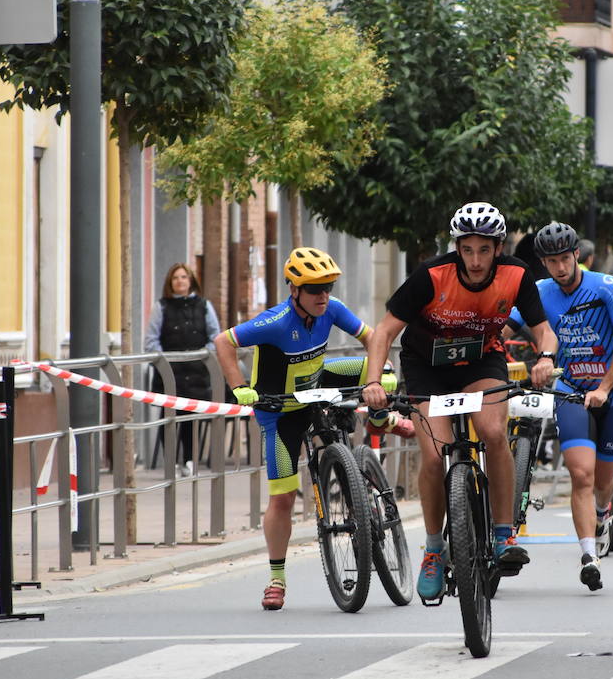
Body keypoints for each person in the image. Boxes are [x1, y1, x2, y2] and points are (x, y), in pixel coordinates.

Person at [361, 203, 557, 601]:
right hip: (426, 365)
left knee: (491, 432)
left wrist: (547, 358)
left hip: (480, 360)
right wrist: (373, 382)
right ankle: (434, 549)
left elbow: (542, 329)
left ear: (498, 248)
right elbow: (382, 333)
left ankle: (503, 536)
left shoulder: (516, 274)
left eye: (484, 250)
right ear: (457, 247)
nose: (476, 260)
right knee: (434, 456)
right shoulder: (432, 275)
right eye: (467, 249)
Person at [214, 247, 374, 611]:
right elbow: (223, 341)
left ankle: (385, 420)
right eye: (315, 288)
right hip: (280, 410)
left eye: (328, 287)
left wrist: (383, 376)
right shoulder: (275, 321)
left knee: (373, 371)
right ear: (294, 289)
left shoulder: (331, 309)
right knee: (283, 497)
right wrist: (240, 386)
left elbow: (372, 336)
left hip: (317, 384)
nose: (323, 296)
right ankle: (276, 577)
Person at [506, 221, 613, 590]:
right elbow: (504, 330)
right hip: (572, 390)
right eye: (551, 262)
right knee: (581, 474)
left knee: (604, 481)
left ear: (576, 255)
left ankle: (603, 511)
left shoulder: (606, 287)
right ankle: (589, 556)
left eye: (565, 259)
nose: (560, 268)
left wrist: (606, 387)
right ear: (543, 263)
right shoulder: (540, 291)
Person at [144, 263, 221, 473]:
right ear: (170, 282)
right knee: (168, 418)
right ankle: (171, 463)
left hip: (196, 372)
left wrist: (202, 356)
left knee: (190, 418)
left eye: (184, 277)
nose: (180, 281)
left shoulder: (204, 306)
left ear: (191, 280)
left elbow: (216, 337)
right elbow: (151, 341)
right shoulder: (161, 307)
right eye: (175, 278)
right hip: (169, 373)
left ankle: (189, 461)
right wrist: (166, 361)